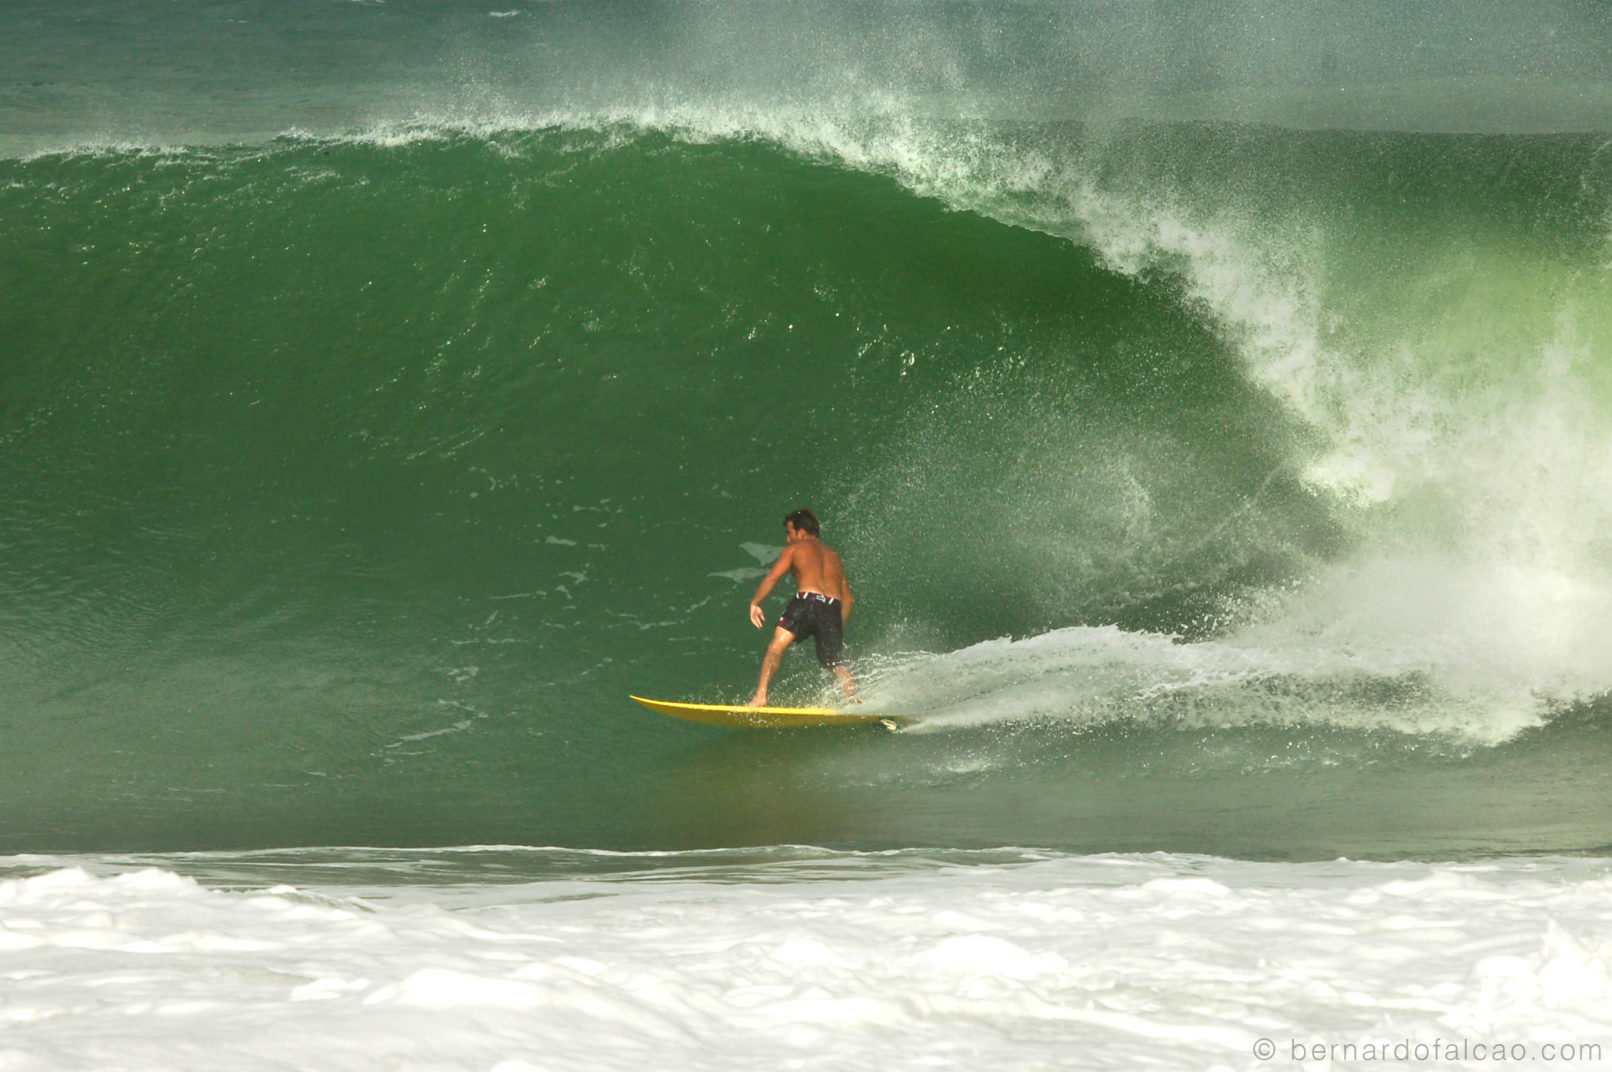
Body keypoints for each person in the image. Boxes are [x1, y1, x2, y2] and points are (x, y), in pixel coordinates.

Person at [747, 508, 857, 707]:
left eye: (790, 534)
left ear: (802, 533)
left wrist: (755, 602)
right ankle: (856, 702)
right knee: (835, 663)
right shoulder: (834, 556)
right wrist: (836, 630)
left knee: (777, 646)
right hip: (832, 608)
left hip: (806, 602)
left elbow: (773, 577)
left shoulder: (794, 549)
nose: (788, 540)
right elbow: (848, 600)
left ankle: (760, 697)